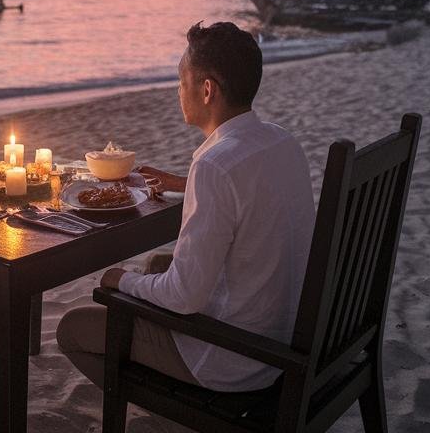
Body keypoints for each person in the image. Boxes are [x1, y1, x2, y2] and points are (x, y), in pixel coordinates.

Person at [57, 21, 316, 393]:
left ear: (207, 90)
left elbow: (184, 297)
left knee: (73, 328)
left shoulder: (214, 166)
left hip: (238, 357)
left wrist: (120, 280)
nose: (179, 91)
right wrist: (183, 184)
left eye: (182, 81)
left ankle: (177, 415)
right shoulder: (281, 141)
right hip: (285, 332)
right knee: (156, 265)